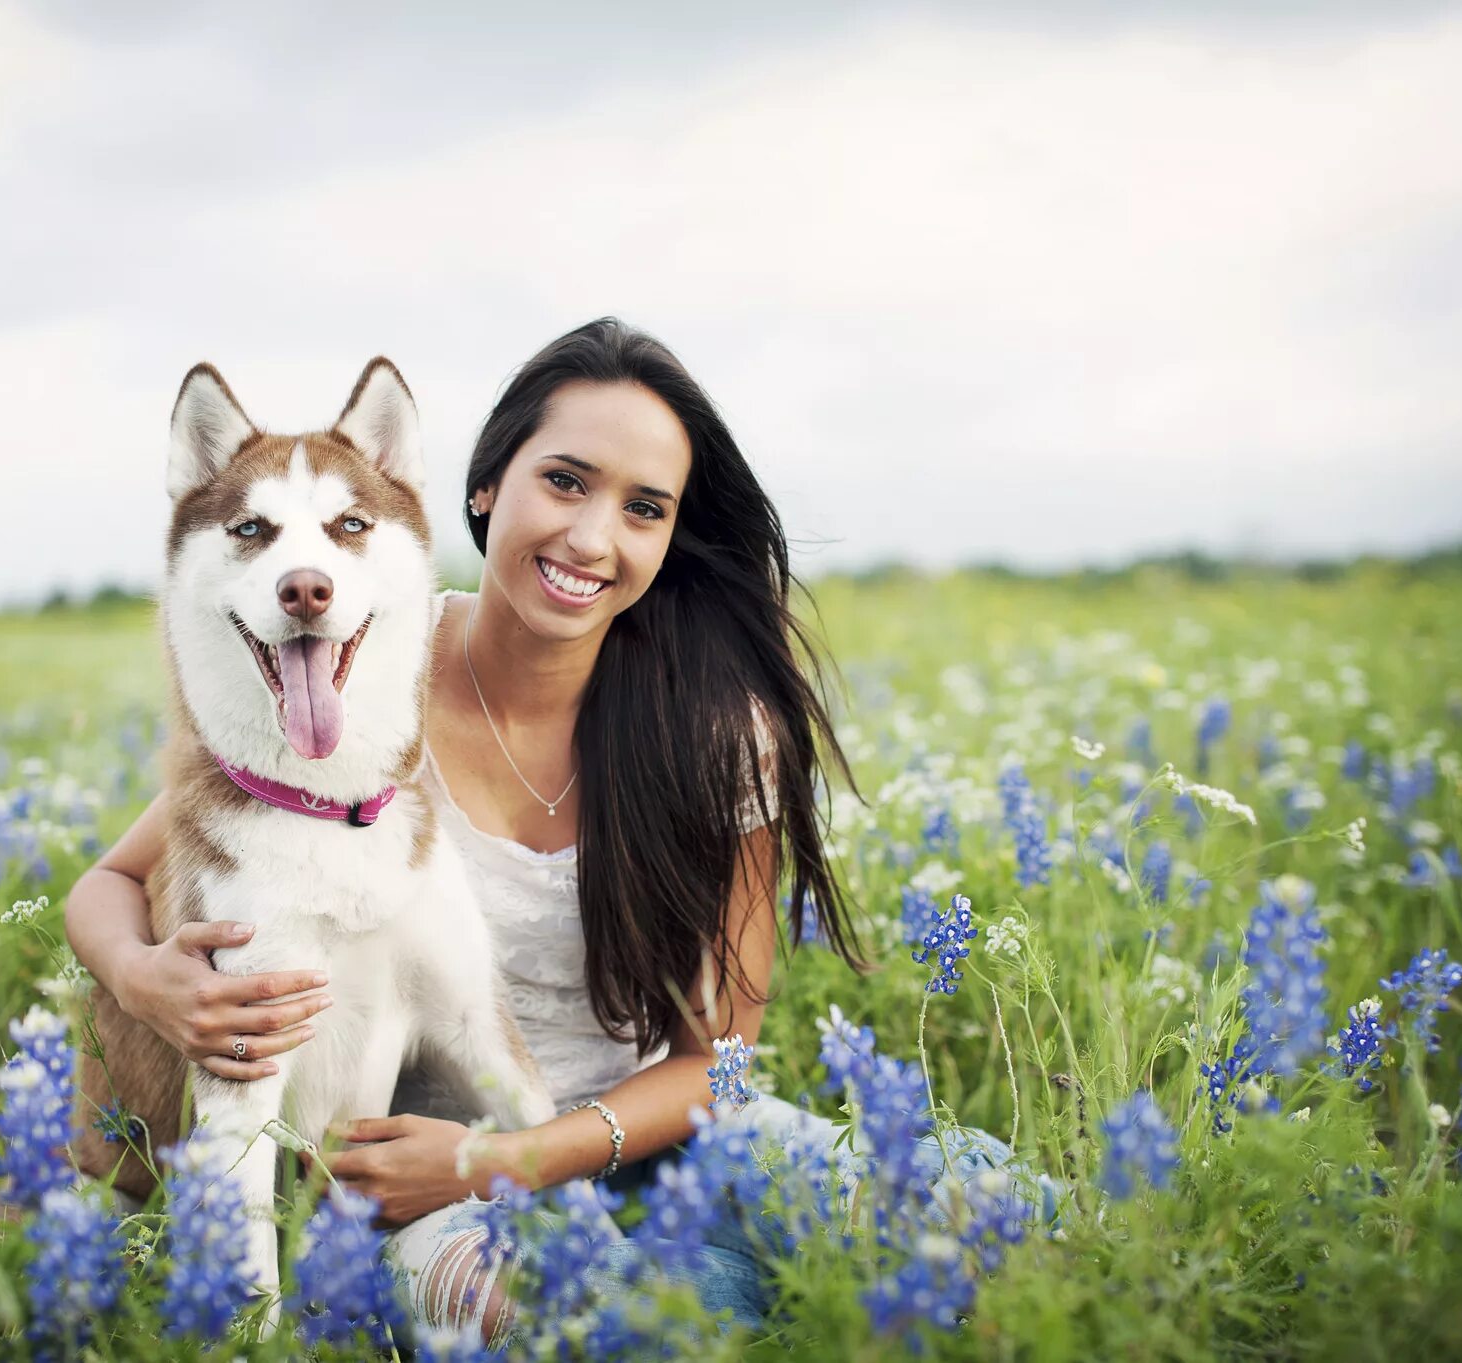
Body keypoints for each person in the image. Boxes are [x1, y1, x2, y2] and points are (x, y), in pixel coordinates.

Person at [64, 317, 1032, 1349]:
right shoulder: (357, 667)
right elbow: (115, 881)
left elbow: (725, 1054)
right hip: (424, 1174)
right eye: (564, 481)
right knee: (606, 1332)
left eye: (642, 508)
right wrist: (141, 978)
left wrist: (527, 1159)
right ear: (485, 484)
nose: (589, 536)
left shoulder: (708, 726)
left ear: (664, 539)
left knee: (1002, 1235)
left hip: (659, 1133)